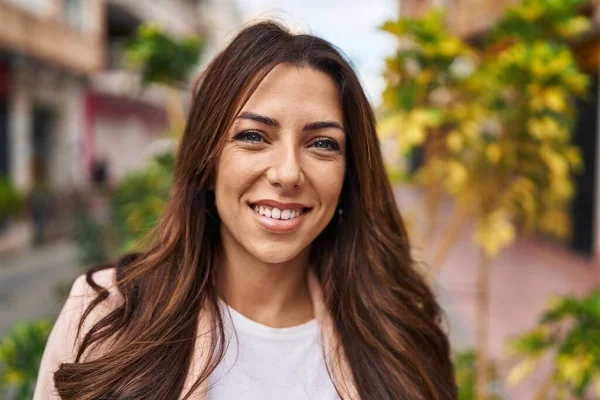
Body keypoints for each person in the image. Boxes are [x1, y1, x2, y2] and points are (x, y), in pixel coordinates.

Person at [33, 21, 457, 400]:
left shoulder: (400, 332)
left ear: (349, 174)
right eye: (254, 135)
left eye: (323, 143)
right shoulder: (109, 314)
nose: (288, 173)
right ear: (208, 159)